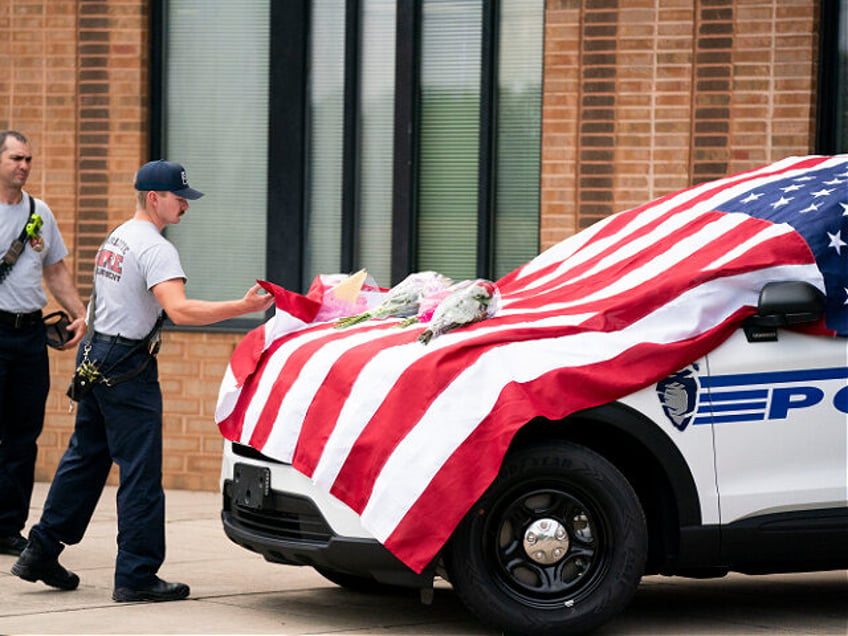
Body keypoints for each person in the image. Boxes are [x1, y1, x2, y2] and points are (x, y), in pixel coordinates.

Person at [12, 159, 274, 602]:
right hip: (127, 369)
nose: (185, 206)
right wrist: (242, 307)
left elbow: (102, 300)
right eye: (179, 198)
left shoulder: (117, 237)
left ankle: (40, 550)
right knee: (140, 472)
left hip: (97, 357)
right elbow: (180, 310)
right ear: (154, 198)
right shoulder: (155, 247)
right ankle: (136, 574)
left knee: (86, 459)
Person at [0, 130, 87, 557]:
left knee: (23, 433)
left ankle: (6, 527)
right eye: (17, 158)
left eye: (29, 159)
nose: (24, 166)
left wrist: (80, 313)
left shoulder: (39, 212)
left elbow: (55, 272)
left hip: (29, 333)